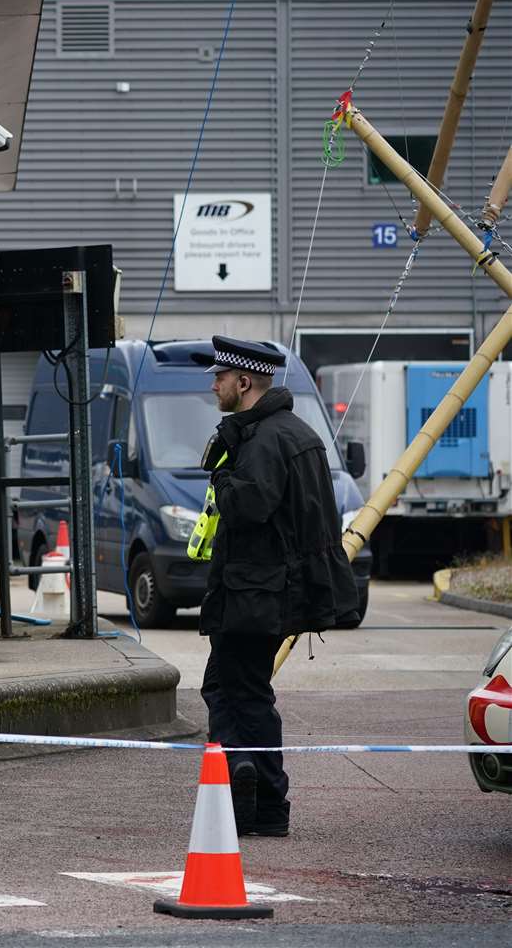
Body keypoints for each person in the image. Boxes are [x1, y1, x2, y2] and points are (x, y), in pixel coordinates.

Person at [191, 335, 360, 837]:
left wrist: (220, 477)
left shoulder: (265, 439)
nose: (215, 385)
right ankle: (253, 791)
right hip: (268, 592)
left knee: (240, 691)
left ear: (244, 383)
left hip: (252, 593)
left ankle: (251, 788)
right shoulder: (293, 433)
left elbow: (252, 505)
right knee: (233, 686)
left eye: (221, 378)